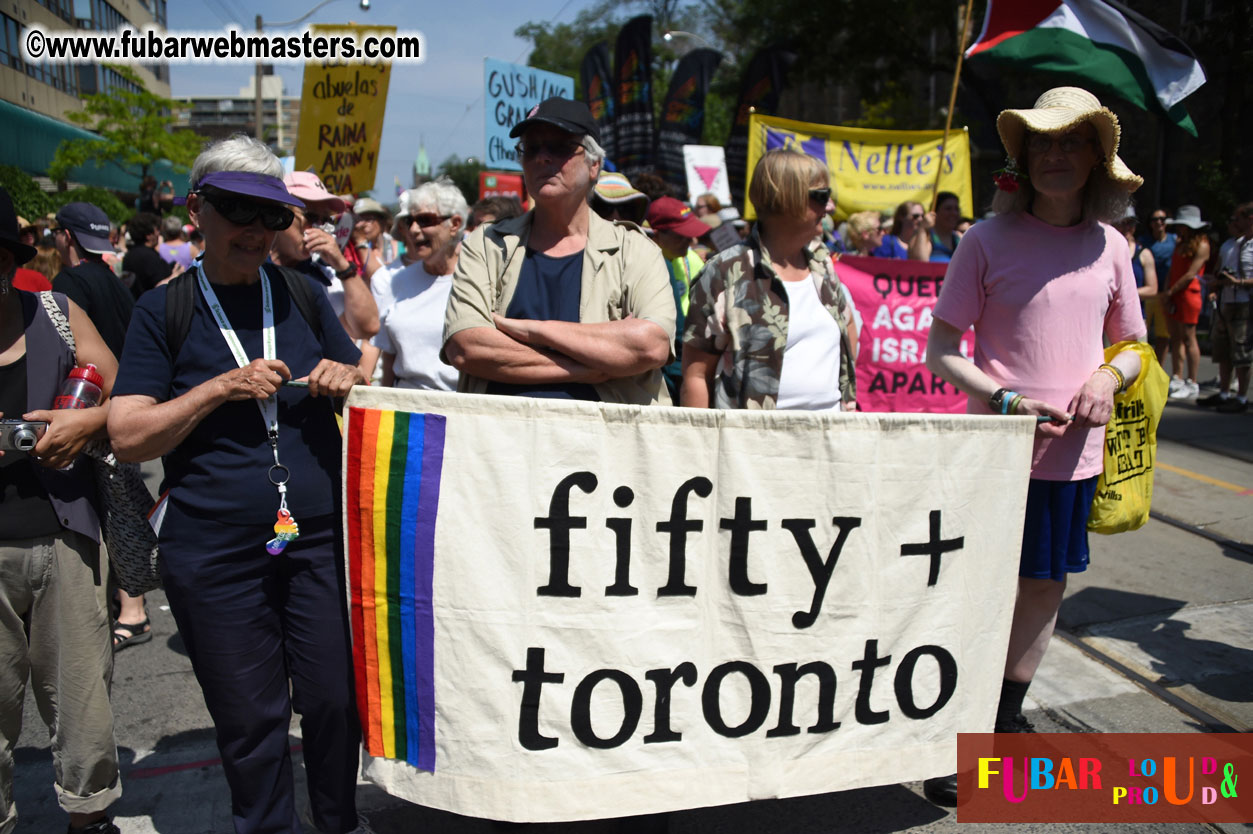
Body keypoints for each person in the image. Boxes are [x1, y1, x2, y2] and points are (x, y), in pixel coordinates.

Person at [107, 136, 370, 834]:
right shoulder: (163, 310)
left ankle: (339, 823)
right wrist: (219, 388)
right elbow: (128, 435)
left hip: (316, 537)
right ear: (197, 210)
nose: (256, 230)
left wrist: (348, 377)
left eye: (272, 215)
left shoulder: (302, 293)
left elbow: (360, 372)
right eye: (237, 210)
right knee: (251, 717)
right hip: (214, 549)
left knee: (336, 699)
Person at [924, 87, 1146, 807]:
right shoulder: (984, 241)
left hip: (1073, 460)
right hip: (993, 456)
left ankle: (1003, 721)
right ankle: (953, 736)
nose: (1055, 154)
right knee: (979, 592)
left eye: (1071, 141)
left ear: (1094, 160)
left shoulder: (1112, 246)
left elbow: (1134, 345)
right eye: (1042, 142)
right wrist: (1007, 400)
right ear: (1023, 159)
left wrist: (1108, 377)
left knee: (1044, 587)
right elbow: (940, 350)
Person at [0, 185, 124, 834]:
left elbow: (118, 387)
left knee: (84, 706)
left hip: (65, 537)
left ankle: (90, 818)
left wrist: (85, 421)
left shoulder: (53, 311)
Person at [442, 97, 674, 406]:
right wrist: (584, 367)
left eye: (560, 147)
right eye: (531, 148)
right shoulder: (486, 244)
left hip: (603, 434)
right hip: (500, 433)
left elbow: (650, 346)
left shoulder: (634, 250)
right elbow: (466, 347)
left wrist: (535, 331)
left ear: (594, 165)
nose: (542, 158)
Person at [682, 148, 857, 411]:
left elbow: (848, 323)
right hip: (755, 435)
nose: (830, 206)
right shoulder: (725, 271)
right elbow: (696, 376)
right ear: (787, 199)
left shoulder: (822, 264)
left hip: (831, 433)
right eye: (822, 196)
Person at [275, 171, 379, 382]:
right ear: (279, 213)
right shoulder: (247, 270)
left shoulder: (326, 277)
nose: (318, 227)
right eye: (311, 217)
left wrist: (341, 264)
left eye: (325, 220)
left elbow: (368, 327)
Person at [373, 178, 468, 391]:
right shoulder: (398, 281)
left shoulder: (477, 279)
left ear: (454, 224)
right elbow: (389, 356)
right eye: (410, 221)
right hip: (404, 404)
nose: (414, 229)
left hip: (460, 403)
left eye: (425, 220)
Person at [644, 196, 709, 401]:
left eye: (690, 236)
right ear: (656, 235)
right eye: (681, 236)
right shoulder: (645, 266)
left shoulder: (692, 260)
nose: (689, 242)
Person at [50, 202, 135, 360]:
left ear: (67, 236)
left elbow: (62, 347)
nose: (54, 238)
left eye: (56, 232)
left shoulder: (69, 281)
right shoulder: (116, 282)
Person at [1199, 202, 1253, 412]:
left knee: (1241, 351)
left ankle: (1241, 397)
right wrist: (1217, 283)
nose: (1234, 223)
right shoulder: (1235, 243)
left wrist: (1238, 282)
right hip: (1226, 301)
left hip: (1245, 304)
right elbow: (1222, 268)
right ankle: (1224, 393)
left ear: (1249, 219)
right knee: (1224, 350)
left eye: (1237, 219)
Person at [1161, 206, 1210, 400]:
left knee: (1189, 338)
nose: (1181, 228)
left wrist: (1171, 291)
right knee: (1175, 338)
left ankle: (1192, 381)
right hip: (1174, 293)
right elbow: (1173, 269)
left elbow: (1191, 274)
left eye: (1184, 225)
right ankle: (1177, 377)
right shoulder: (1180, 243)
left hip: (1188, 295)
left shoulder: (1203, 245)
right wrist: (1167, 290)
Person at [1141, 207, 1176, 361]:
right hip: (1148, 294)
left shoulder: (1174, 240)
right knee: (1143, 333)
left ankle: (1159, 367)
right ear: (1150, 223)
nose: (1159, 222)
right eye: (1155, 219)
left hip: (1165, 294)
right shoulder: (1143, 242)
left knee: (1163, 335)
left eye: (1162, 219)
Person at [1113, 208, 1158, 315]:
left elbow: (1152, 289)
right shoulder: (1106, 252)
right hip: (1109, 316)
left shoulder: (1144, 254)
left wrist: (1122, 294)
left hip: (1135, 316)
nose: (1126, 227)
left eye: (1131, 223)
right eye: (1122, 223)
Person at [122, 212, 177, 298]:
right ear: (148, 235)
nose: (159, 233)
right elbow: (159, 286)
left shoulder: (129, 255)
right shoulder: (148, 257)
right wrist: (176, 275)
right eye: (157, 230)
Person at [350, 197, 396, 280]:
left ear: (382, 222)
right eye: (358, 220)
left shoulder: (401, 248)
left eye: (368, 219)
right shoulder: (353, 253)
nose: (362, 225)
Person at [910, 191, 963, 262]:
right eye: (948, 209)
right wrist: (922, 229)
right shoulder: (927, 237)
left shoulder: (959, 238)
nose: (954, 213)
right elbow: (920, 263)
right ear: (934, 213)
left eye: (956, 209)